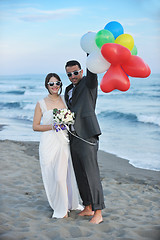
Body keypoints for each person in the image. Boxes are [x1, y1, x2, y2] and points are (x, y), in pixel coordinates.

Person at [33, 73, 82, 218]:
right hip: (48, 143)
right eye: (51, 84)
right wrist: (52, 127)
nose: (55, 86)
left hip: (63, 142)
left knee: (63, 177)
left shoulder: (65, 99)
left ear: (61, 84)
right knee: (52, 176)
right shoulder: (41, 103)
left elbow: (73, 117)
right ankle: (59, 204)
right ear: (47, 86)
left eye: (57, 83)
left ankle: (63, 208)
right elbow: (35, 126)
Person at [64, 60, 105, 224]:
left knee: (91, 175)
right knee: (80, 173)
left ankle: (98, 212)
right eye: (69, 74)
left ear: (81, 71)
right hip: (73, 136)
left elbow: (93, 71)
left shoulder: (89, 83)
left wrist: (90, 53)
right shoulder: (68, 90)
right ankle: (87, 207)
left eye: (75, 72)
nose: (73, 76)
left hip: (87, 136)